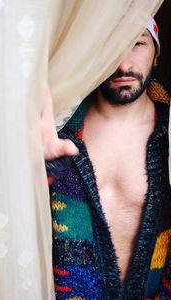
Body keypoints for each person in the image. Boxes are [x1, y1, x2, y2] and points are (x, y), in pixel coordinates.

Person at [42, 18, 171, 300]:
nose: (124, 64)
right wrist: (42, 162)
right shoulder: (58, 131)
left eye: (138, 43)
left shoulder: (169, 135)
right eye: (111, 46)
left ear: (156, 54)